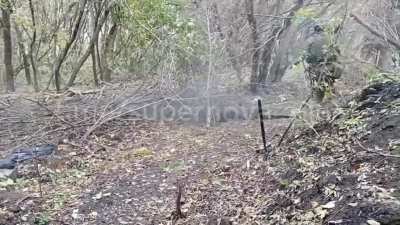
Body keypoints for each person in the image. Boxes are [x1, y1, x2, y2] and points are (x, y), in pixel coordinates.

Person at [303, 25, 343, 103]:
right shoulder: (330, 38)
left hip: (317, 68)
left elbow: (307, 58)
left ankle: (319, 103)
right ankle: (331, 101)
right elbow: (338, 53)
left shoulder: (310, 40)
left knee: (318, 87)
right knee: (329, 83)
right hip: (331, 67)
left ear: (315, 31)